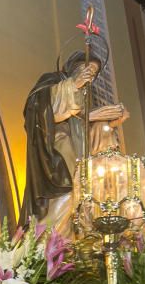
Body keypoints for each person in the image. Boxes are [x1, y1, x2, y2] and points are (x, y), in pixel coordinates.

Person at [19, 50, 128, 233]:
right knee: (71, 191)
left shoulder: (84, 98)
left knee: (87, 195)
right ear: (74, 66)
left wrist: (108, 122)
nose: (90, 76)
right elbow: (38, 108)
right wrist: (72, 87)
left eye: (93, 74)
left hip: (80, 155)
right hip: (55, 151)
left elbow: (86, 134)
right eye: (88, 69)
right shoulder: (52, 80)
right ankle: (55, 241)